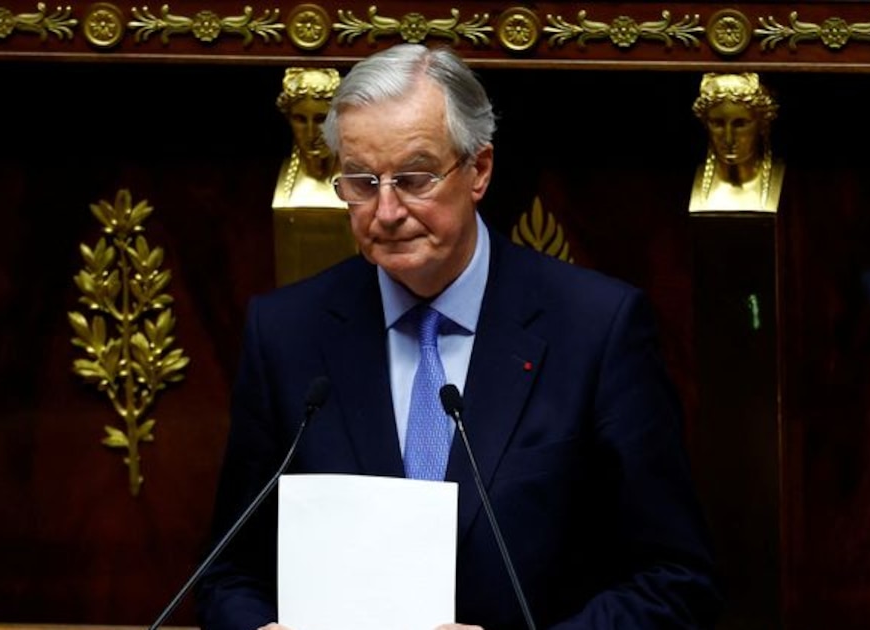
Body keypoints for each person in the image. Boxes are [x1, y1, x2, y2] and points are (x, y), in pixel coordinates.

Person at [197, 43, 720, 630]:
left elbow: (675, 579)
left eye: (414, 178)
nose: (386, 211)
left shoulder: (597, 328)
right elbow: (226, 575)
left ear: (479, 170)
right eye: (362, 183)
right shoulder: (286, 333)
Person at [688, 72, 783, 213]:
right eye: (717, 124)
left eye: (740, 124)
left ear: (763, 125)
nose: (729, 139)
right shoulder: (686, 182)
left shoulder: (789, 182)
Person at [272, 66, 346, 209]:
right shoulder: (285, 182)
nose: (311, 133)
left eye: (321, 119)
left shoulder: (360, 180)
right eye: (300, 119)